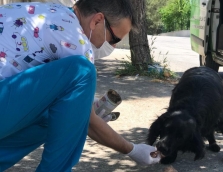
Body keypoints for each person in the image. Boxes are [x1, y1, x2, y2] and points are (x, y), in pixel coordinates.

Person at [0, 0, 161, 171]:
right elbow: (90, 122)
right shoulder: (76, 40)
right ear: (97, 20)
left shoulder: (49, 13)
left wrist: (80, 107)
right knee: (82, 71)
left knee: (52, 114)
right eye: (114, 39)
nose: (112, 46)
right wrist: (132, 149)